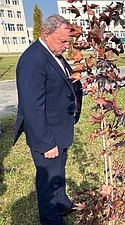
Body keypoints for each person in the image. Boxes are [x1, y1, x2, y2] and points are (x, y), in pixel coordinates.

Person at [13, 15, 83, 225]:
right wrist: (46, 142)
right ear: (46, 33)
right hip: (46, 134)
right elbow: (31, 106)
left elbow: (63, 83)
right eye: (62, 41)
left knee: (59, 170)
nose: (65, 46)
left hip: (59, 128)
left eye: (68, 42)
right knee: (47, 179)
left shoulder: (54, 54)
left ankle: (61, 203)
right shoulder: (32, 60)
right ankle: (51, 219)